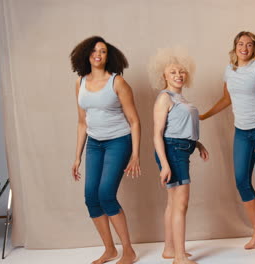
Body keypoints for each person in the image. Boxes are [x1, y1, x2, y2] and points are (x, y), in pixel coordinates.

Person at [200, 31, 255, 252]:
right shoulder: (229, 70)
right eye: (240, 44)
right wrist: (205, 115)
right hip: (242, 132)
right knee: (241, 181)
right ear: (235, 47)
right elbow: (227, 99)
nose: (244, 48)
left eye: (249, 44)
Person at [70, 36, 141, 264]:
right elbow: (82, 122)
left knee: (106, 195)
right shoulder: (80, 83)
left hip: (118, 141)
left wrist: (135, 155)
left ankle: (128, 251)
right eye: (94, 51)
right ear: (86, 55)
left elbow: (135, 121)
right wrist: (77, 157)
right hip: (94, 143)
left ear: (108, 56)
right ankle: (110, 249)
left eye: (102, 51)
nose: (98, 55)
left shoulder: (117, 82)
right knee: (91, 197)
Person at [149, 48, 209, 264]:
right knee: (181, 204)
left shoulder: (179, 97)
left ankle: (169, 249)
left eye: (182, 72)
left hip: (181, 149)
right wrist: (165, 164)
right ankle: (180, 257)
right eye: (173, 72)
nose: (178, 75)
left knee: (173, 203)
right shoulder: (164, 98)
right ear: (164, 75)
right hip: (172, 153)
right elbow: (157, 135)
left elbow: (180, 127)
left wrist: (197, 144)